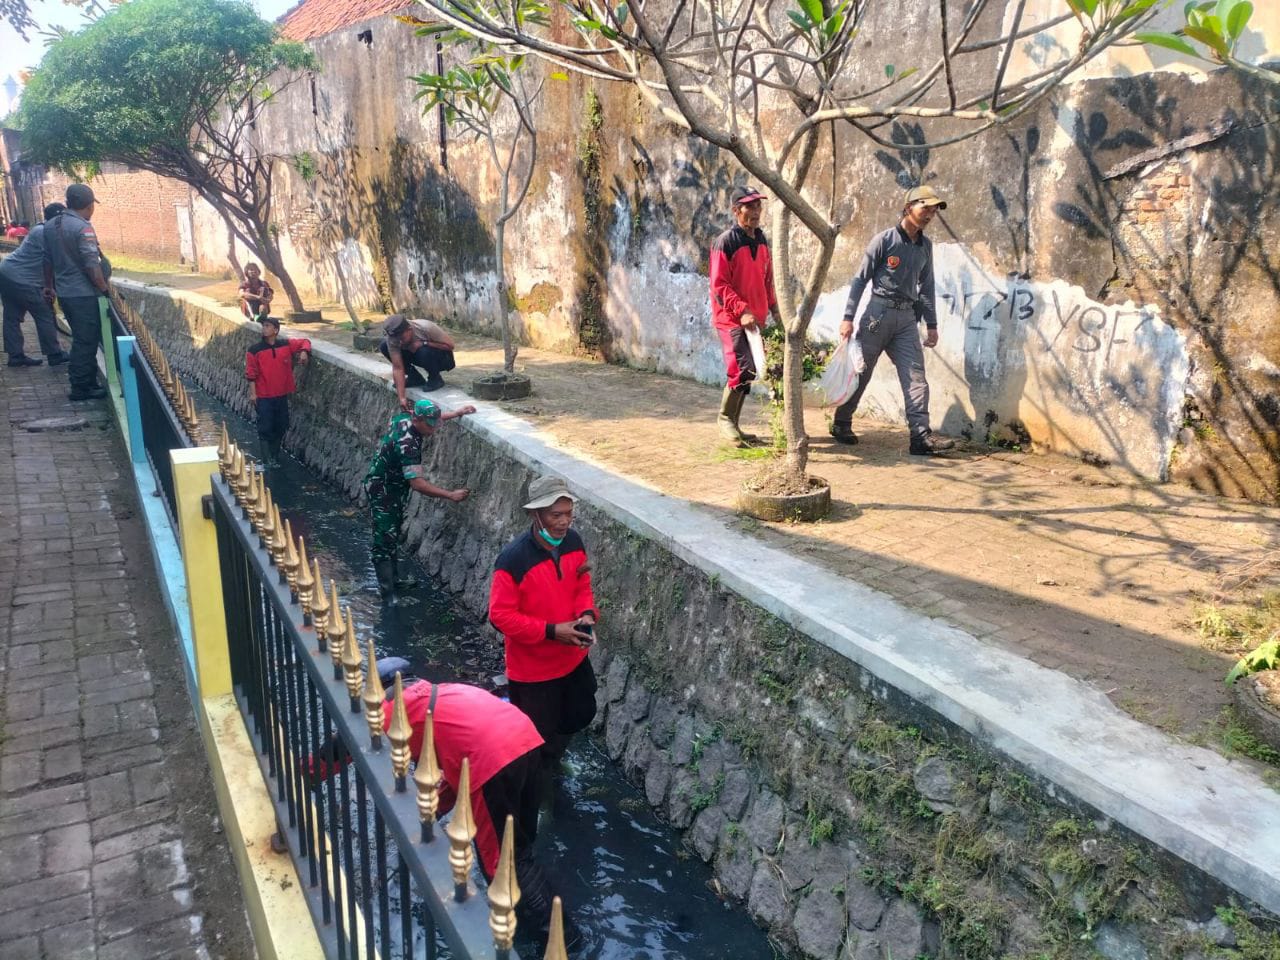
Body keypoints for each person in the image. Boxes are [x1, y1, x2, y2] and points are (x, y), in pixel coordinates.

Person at [313, 658, 569, 945]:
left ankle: (560, 939)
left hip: (492, 762)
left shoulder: (395, 709)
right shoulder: (445, 692)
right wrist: (430, 812)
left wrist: (308, 773)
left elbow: (346, 742)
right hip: (527, 741)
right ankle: (528, 916)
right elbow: (457, 767)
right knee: (520, 845)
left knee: (503, 863)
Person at [489, 475, 597, 805]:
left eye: (568, 514)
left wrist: (586, 615)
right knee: (533, 738)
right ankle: (535, 797)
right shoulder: (513, 560)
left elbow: (582, 585)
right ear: (536, 515)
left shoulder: (573, 542)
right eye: (556, 515)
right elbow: (500, 616)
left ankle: (552, 762)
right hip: (533, 670)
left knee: (579, 712)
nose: (564, 522)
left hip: (572, 659)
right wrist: (552, 631)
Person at [830, 185, 956, 456]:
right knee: (861, 372)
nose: (930, 215)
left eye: (934, 211)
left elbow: (927, 286)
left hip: (907, 320)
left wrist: (932, 325)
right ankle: (842, 422)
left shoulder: (925, 247)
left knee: (916, 377)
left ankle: (920, 437)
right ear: (909, 207)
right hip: (878, 316)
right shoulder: (884, 240)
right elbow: (860, 280)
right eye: (926, 208)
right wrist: (848, 318)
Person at [364, 397, 476, 603]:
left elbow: (434, 417)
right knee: (384, 537)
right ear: (417, 420)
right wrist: (450, 495)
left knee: (392, 532)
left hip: (394, 487)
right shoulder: (408, 445)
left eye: (435, 423)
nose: (434, 429)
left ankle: (395, 581)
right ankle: (388, 594)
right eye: (430, 425)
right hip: (383, 490)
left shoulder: (404, 418)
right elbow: (418, 484)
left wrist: (456, 413)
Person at [709, 185, 780, 446]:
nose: (756, 211)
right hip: (732, 319)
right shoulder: (725, 242)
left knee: (750, 371)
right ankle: (725, 419)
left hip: (755, 320)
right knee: (741, 367)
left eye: (758, 205)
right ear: (736, 210)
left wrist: (774, 309)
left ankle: (734, 425)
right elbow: (719, 285)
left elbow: (766, 279)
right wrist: (742, 310)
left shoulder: (761, 240)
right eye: (749, 206)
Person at [42, 184, 112, 402]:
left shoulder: (50, 225)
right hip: (83, 294)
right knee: (86, 341)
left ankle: (89, 381)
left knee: (82, 338)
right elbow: (92, 265)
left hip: (64, 292)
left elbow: (47, 259)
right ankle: (81, 387)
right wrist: (104, 289)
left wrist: (48, 286)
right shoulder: (83, 228)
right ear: (89, 205)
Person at [0, 203, 70, 368]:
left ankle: (15, 356)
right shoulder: (46, 233)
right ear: (58, 218)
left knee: (12, 316)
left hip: (6, 272)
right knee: (44, 313)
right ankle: (54, 354)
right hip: (23, 279)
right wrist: (50, 287)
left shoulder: (40, 229)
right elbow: (54, 261)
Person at [245, 316, 311, 467]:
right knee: (265, 427)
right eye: (263, 326)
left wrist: (304, 352)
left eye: (267, 326)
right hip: (264, 396)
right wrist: (253, 394)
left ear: (275, 330)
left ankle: (274, 456)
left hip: (281, 395)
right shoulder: (254, 350)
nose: (264, 328)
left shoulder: (285, 345)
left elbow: (305, 341)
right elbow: (251, 373)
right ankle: (267, 460)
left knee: (281, 426)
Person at [380, 313, 457, 404]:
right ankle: (414, 377)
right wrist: (402, 398)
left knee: (423, 351)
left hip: (442, 359)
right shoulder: (392, 339)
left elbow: (450, 346)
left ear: (409, 329)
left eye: (402, 338)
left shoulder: (425, 327)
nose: (400, 342)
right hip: (417, 355)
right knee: (384, 346)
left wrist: (424, 343)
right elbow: (398, 367)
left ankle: (435, 378)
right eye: (397, 340)